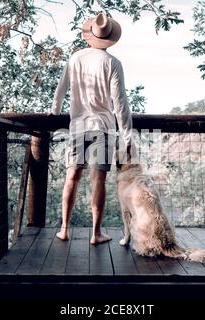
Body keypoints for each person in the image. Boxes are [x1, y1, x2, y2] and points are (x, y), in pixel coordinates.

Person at [50, 13, 133, 244]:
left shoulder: (75, 58)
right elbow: (120, 103)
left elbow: (60, 89)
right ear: (110, 38)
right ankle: (96, 234)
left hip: (77, 127)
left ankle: (64, 229)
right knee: (98, 181)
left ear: (90, 35)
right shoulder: (113, 63)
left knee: (71, 178)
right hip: (103, 128)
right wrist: (126, 134)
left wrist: (55, 112)